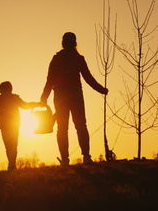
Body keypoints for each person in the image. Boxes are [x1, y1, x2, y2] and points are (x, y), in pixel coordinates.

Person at [40, 32, 108, 166]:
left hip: (60, 95)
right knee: (81, 125)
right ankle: (86, 156)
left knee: (62, 127)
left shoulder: (56, 59)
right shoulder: (78, 59)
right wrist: (102, 90)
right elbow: (88, 78)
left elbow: (50, 80)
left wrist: (44, 97)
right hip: (75, 94)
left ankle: (65, 159)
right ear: (75, 43)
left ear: (63, 43)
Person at [0, 81, 40, 171]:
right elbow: (25, 106)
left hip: (5, 125)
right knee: (13, 145)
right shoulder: (14, 98)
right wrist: (36, 104)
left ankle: (11, 165)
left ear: (1, 90)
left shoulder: (0, 98)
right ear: (10, 89)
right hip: (12, 124)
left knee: (8, 146)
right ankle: (12, 165)